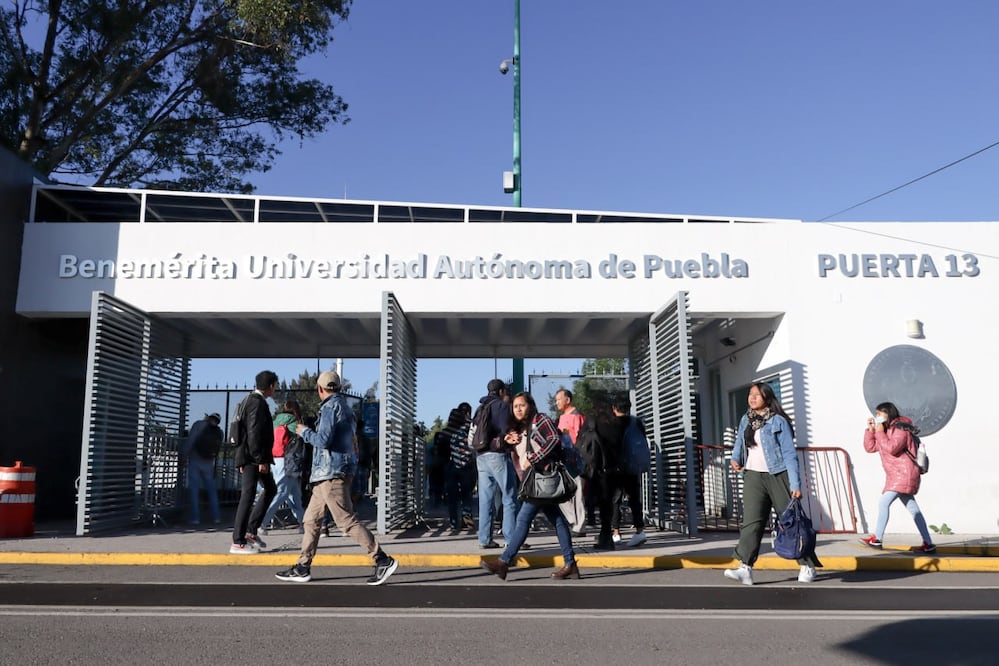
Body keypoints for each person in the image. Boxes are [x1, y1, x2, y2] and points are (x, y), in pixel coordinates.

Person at [275, 370, 398, 585]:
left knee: (345, 521)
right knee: (311, 521)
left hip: (330, 473)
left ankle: (382, 559)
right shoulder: (345, 408)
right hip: (331, 473)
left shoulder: (331, 408)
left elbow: (322, 440)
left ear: (320, 389)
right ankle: (303, 566)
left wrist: (303, 431)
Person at [724, 382, 822, 585]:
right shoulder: (746, 419)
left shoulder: (779, 422)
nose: (752, 398)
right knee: (751, 523)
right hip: (753, 476)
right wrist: (736, 459)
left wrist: (795, 484)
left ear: (767, 398)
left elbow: (789, 453)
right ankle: (746, 568)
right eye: (750, 394)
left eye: (757, 395)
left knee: (791, 521)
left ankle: (807, 565)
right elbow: (740, 443)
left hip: (778, 475)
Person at [480, 391, 579, 581]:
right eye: (515, 406)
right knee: (558, 521)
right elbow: (499, 445)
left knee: (523, 519)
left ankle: (504, 562)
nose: (518, 409)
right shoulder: (519, 428)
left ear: (530, 406)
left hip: (542, 479)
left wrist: (533, 459)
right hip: (536, 482)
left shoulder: (540, 419)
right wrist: (505, 441)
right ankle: (570, 564)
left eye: (522, 405)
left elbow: (553, 440)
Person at [859, 402, 936, 553]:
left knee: (883, 502)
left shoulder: (901, 428)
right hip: (896, 474)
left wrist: (879, 431)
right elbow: (871, 447)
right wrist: (870, 430)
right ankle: (928, 543)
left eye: (880, 414)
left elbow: (892, 448)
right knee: (913, 509)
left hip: (904, 474)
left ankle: (877, 539)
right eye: (877, 414)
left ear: (889, 413)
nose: (877, 417)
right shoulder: (887, 430)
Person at [229, 371, 279, 554]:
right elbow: (255, 433)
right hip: (253, 457)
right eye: (275, 385)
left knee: (270, 489)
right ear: (271, 385)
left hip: (249, 455)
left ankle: (250, 531)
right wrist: (261, 460)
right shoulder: (257, 403)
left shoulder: (249, 400)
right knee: (248, 496)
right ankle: (238, 541)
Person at [475, 379, 519, 549]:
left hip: (481, 456)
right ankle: (511, 539)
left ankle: (484, 539)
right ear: (501, 391)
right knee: (509, 497)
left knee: (485, 500)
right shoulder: (500, 406)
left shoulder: (480, 408)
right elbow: (505, 430)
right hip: (497, 455)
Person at [586, 396, 627, 550]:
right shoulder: (617, 424)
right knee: (611, 503)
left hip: (598, 468)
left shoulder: (592, 422)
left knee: (602, 503)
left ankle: (606, 537)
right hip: (615, 468)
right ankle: (607, 535)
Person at [259, 400, 306, 534]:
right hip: (289, 460)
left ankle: (302, 523)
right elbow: (302, 438)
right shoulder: (294, 423)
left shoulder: (275, 421)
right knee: (283, 492)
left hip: (275, 458)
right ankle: (261, 522)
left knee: (294, 493)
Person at [610, 396, 647, 547]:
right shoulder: (636, 422)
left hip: (617, 467)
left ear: (614, 408)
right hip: (633, 466)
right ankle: (639, 531)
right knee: (634, 499)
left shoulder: (612, 424)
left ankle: (616, 532)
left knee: (615, 500)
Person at [436, 402, 476, 530]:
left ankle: (454, 521)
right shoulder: (465, 430)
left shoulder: (444, 433)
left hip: (450, 465)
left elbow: (439, 452)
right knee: (466, 494)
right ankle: (467, 517)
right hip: (466, 466)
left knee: (452, 496)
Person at [555, 388, 587, 537]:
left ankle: (579, 525)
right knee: (561, 494)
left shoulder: (577, 416)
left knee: (578, 493)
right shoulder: (561, 418)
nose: (557, 402)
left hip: (576, 460)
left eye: (559, 399)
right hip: (563, 459)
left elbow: (581, 439)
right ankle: (573, 519)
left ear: (568, 400)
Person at [185, 412, 222, 527]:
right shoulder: (220, 432)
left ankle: (195, 518)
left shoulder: (198, 425)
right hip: (208, 463)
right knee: (211, 491)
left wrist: (184, 455)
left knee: (194, 490)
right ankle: (216, 517)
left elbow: (190, 441)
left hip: (195, 460)